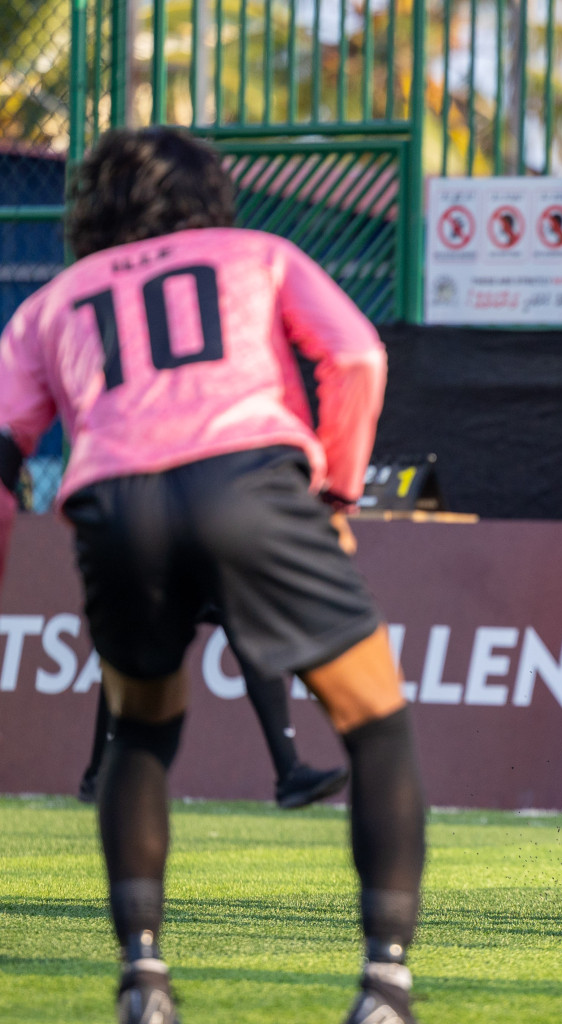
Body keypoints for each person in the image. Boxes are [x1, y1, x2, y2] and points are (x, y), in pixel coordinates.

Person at [0, 126, 425, 1024]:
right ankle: (383, 986)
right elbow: (353, 357)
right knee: (376, 726)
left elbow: (6, 452)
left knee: (139, 735)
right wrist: (336, 497)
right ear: (208, 195)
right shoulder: (257, 254)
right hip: (250, 484)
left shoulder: (52, 302)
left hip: (115, 506)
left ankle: (142, 977)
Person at [78, 607, 351, 810]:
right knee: (134, 656)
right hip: (166, 551)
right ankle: (98, 775)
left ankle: (289, 771)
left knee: (251, 634)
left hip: (206, 548)